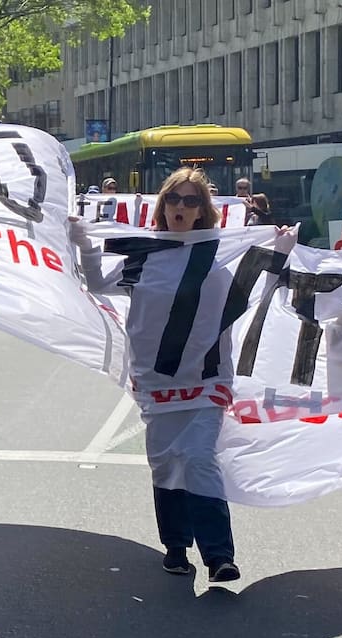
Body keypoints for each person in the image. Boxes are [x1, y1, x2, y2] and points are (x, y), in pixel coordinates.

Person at [74, 167, 265, 583]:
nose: (181, 207)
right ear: (163, 206)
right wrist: (85, 245)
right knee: (165, 466)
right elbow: (98, 283)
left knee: (199, 459)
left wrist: (280, 247)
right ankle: (176, 547)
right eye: (174, 199)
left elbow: (260, 282)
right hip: (158, 385)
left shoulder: (220, 254)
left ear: (203, 210)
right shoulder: (145, 253)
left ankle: (218, 555)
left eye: (191, 200)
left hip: (207, 381)